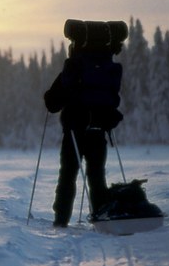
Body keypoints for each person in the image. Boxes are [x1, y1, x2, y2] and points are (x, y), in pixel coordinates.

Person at [43, 20, 125, 227]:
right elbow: (114, 97)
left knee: (68, 175)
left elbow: (52, 103)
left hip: (74, 130)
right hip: (99, 129)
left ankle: (61, 220)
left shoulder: (73, 67)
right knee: (97, 175)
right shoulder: (109, 68)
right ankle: (101, 217)